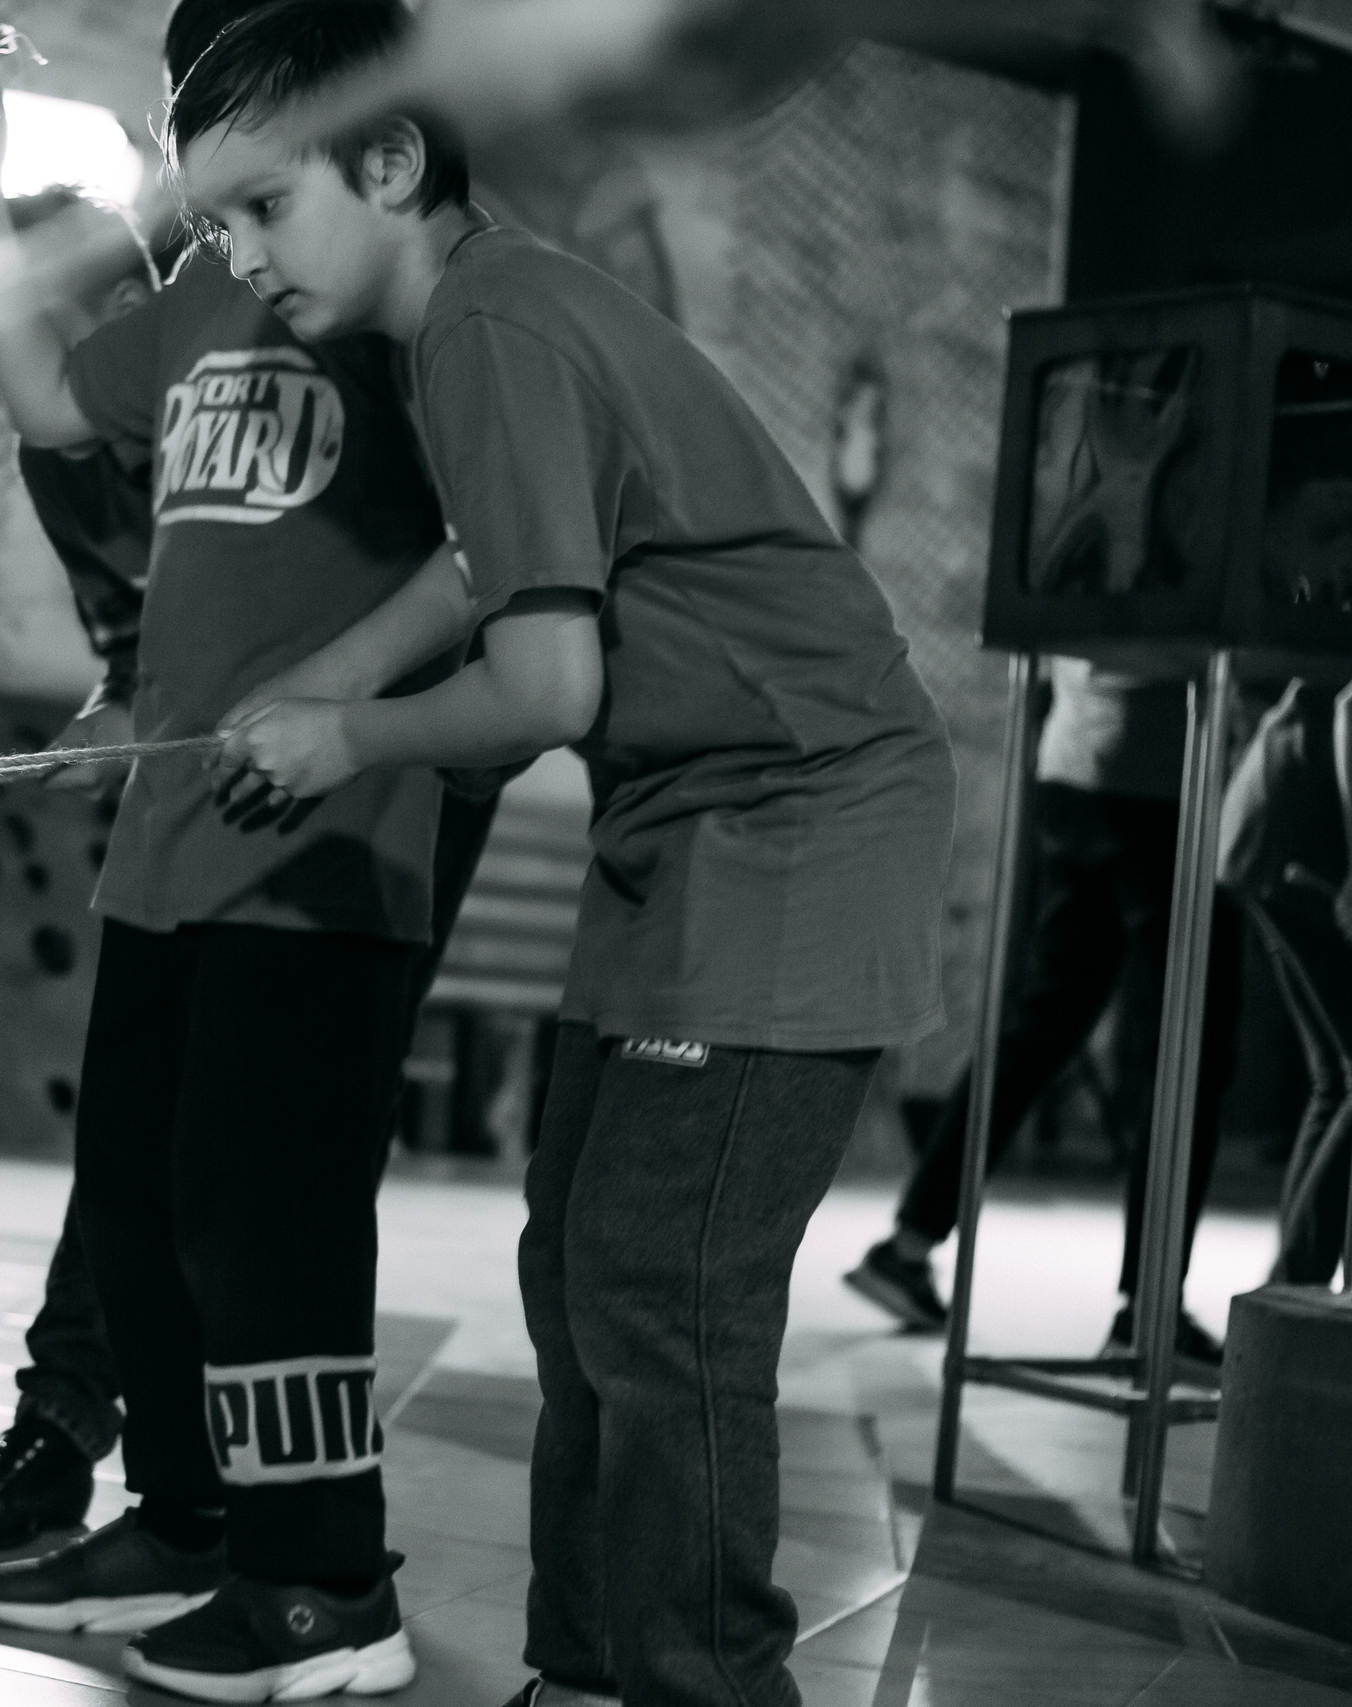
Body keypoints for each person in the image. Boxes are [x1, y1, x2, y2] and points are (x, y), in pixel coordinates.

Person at [189, 6, 955, 1702]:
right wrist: (320, 685)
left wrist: (348, 738)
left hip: (800, 813)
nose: (236, 256)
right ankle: (594, 1669)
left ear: (392, 163)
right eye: (213, 223)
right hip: (673, 825)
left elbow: (547, 687)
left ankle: (705, 1684)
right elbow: (485, 566)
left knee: (659, 1285)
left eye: (261, 206)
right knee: (575, 1264)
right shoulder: (474, 313)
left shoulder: (491, 322)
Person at [0, 13, 516, 1560]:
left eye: (261, 189)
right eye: (214, 190)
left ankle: (311, 1562)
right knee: (139, 1180)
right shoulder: (201, 297)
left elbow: (494, 547)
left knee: (270, 1207)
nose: (237, 233)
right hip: (175, 826)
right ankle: (180, 1515)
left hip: (334, 816)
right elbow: (56, 403)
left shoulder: (409, 294)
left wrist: (344, 696)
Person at [842, 659, 1242, 1363]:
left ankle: (906, 1245)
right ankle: (1149, 1312)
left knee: (1044, 1025)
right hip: (1157, 775)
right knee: (1190, 1044)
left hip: (1072, 766)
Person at [1220, 676, 1352, 1288]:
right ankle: (1292, 1288)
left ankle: (1287, 1294)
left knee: (1340, 1079)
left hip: (1277, 818)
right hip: (1305, 832)